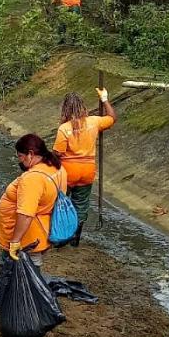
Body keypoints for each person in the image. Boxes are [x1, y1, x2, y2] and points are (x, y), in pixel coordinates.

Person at [53, 88, 116, 245]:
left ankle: (61, 236)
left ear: (65, 109)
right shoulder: (94, 122)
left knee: (60, 201)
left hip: (68, 171)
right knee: (81, 204)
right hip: (88, 170)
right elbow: (112, 118)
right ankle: (76, 237)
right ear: (82, 107)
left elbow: (58, 153)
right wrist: (104, 99)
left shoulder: (64, 128)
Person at [0, 133, 68, 266]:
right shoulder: (57, 168)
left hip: (28, 236)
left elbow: (25, 215)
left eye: (20, 157)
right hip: (43, 229)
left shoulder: (32, 178)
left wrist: (15, 241)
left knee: (23, 268)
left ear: (31, 153)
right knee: (32, 267)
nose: (20, 161)